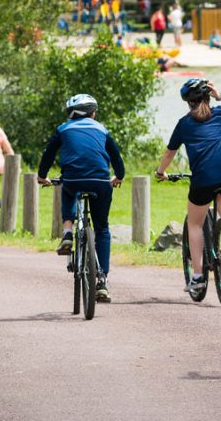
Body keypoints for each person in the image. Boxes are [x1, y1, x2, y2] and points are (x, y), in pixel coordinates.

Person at [155, 79, 221, 293]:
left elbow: (170, 153)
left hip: (204, 178)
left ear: (188, 102)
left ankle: (197, 277)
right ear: (207, 96)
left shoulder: (184, 124)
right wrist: (219, 95)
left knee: (194, 224)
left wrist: (160, 172)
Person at [37, 94, 124, 303]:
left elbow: (49, 154)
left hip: (73, 179)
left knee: (68, 189)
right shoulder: (101, 129)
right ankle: (102, 281)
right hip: (100, 181)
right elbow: (116, 156)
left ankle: (67, 232)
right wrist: (119, 176)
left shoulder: (63, 129)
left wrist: (42, 176)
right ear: (92, 113)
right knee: (102, 228)